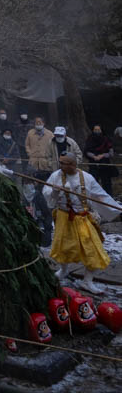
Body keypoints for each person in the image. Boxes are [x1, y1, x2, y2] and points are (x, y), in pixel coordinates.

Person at [43, 152, 122, 294]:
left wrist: (117, 208)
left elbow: (100, 195)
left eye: (64, 163)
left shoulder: (87, 178)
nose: (60, 165)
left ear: (73, 164)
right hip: (63, 217)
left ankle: (87, 281)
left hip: (82, 217)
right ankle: (63, 270)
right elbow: (47, 194)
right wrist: (54, 191)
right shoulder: (56, 176)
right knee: (63, 247)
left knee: (93, 249)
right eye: (60, 162)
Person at [24, 117, 54, 245]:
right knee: (32, 188)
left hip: (45, 164)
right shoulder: (30, 133)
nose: (38, 124)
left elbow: (52, 147)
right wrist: (30, 153)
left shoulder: (49, 134)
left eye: (40, 123)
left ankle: (44, 207)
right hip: (33, 162)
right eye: (36, 123)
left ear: (44, 123)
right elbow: (26, 145)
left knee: (44, 188)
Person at [84, 124, 116, 194]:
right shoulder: (90, 139)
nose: (97, 131)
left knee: (106, 182)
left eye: (98, 130)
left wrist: (102, 155)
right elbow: (86, 151)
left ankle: (109, 198)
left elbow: (111, 153)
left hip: (105, 164)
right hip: (93, 164)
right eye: (95, 130)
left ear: (101, 130)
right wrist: (94, 156)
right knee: (93, 181)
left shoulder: (106, 139)